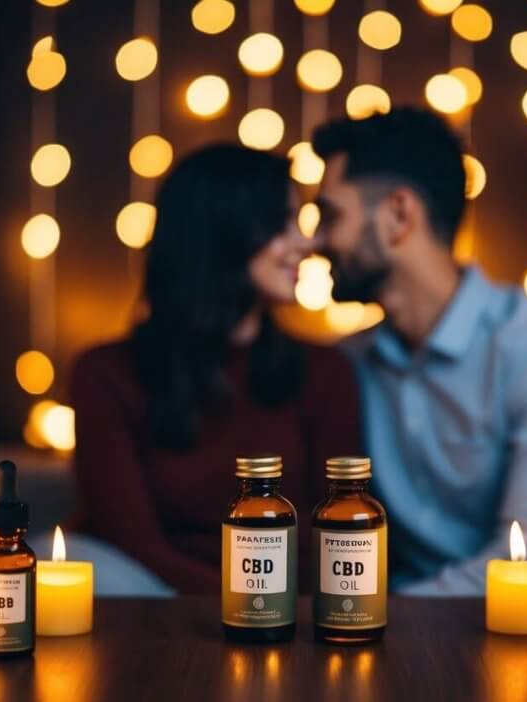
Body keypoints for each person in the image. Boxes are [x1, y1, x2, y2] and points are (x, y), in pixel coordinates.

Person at [311, 107, 527, 595]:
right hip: (402, 632)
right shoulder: (346, 363)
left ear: (398, 215)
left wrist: (379, 617)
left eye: (331, 215)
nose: (315, 241)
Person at [70, 144, 360, 594]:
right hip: (158, 600)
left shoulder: (324, 372)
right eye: (281, 224)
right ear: (223, 233)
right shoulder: (105, 374)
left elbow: (339, 529)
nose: (305, 245)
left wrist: (275, 612)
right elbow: (132, 541)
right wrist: (237, 605)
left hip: (286, 609)